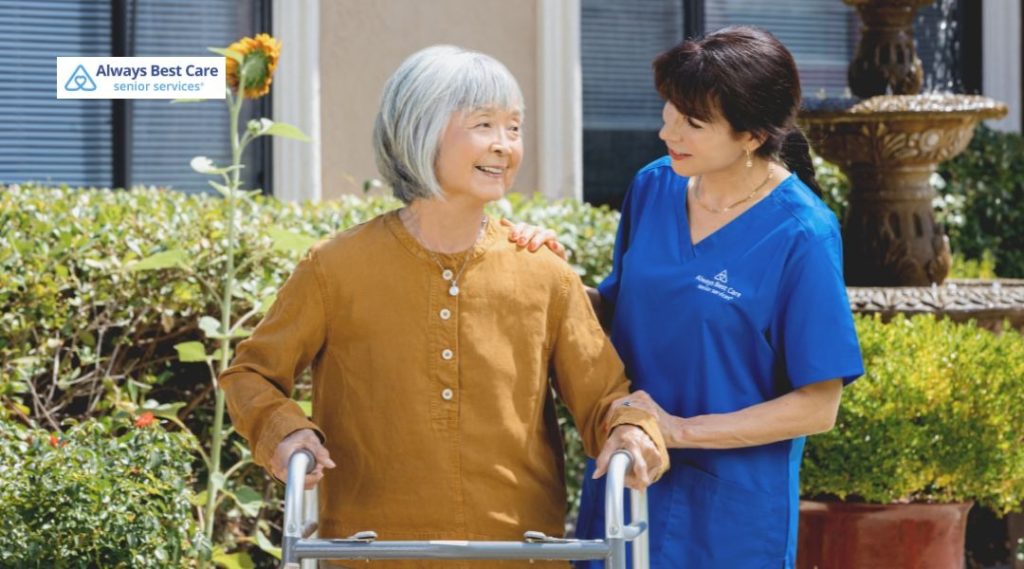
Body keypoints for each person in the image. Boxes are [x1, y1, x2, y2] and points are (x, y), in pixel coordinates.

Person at [219, 45, 668, 569]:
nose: (504, 146)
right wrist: (286, 433)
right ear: (420, 129)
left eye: (515, 128)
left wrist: (631, 428)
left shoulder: (541, 270)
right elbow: (251, 375)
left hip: (518, 555)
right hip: (371, 554)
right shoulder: (335, 267)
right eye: (484, 125)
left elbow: (603, 397)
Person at [506, 27, 865, 568]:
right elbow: (618, 308)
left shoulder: (802, 234)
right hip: (629, 479)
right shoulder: (654, 186)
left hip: (731, 515)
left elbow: (819, 405)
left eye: (692, 123)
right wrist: (543, 273)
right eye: (670, 111)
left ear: (751, 136)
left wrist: (677, 430)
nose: (665, 131)